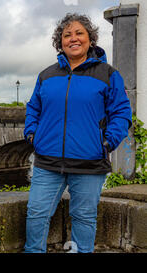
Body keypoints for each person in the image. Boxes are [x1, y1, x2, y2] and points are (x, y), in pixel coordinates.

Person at [24, 13, 132, 253]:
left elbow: (122, 113)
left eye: (79, 33)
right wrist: (33, 134)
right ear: (60, 42)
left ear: (90, 39)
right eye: (67, 35)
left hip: (89, 162)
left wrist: (105, 143)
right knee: (36, 214)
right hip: (47, 161)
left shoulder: (107, 74)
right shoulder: (46, 75)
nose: (73, 38)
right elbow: (33, 108)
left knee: (84, 218)